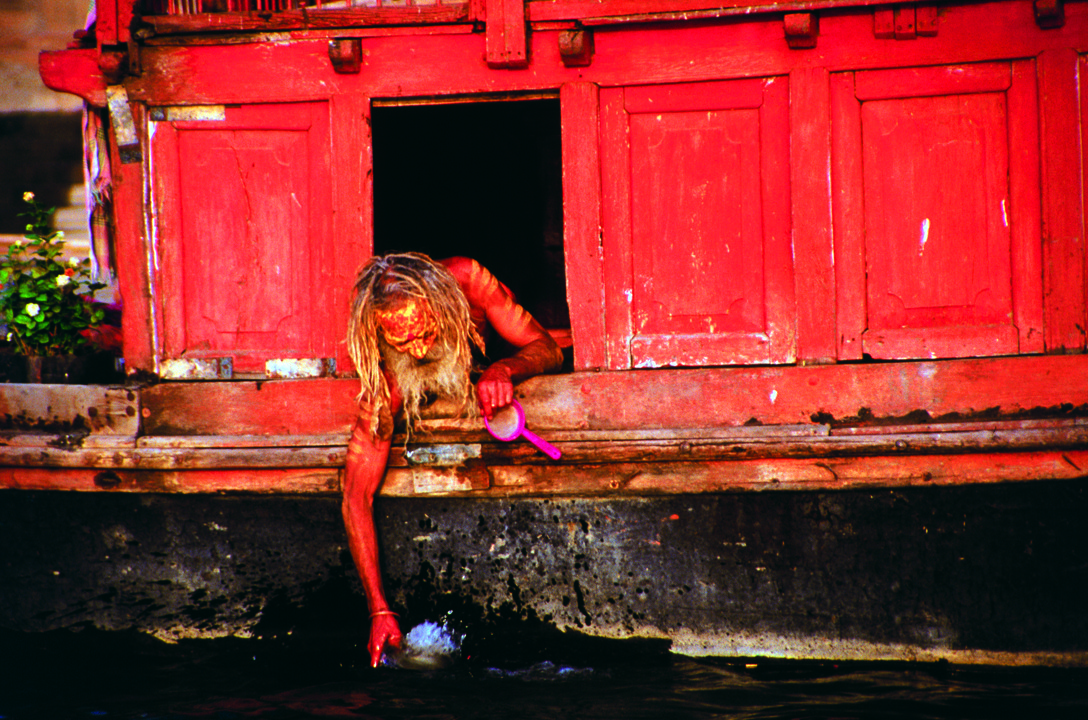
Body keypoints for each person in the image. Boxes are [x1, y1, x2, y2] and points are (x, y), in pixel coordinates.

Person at [343, 252, 564, 667]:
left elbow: (548, 348)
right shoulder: (385, 387)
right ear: (379, 331)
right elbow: (356, 496)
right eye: (402, 342)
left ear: (443, 306)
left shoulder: (467, 279)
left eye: (426, 332)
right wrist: (378, 610)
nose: (421, 349)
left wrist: (504, 370)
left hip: (492, 352)